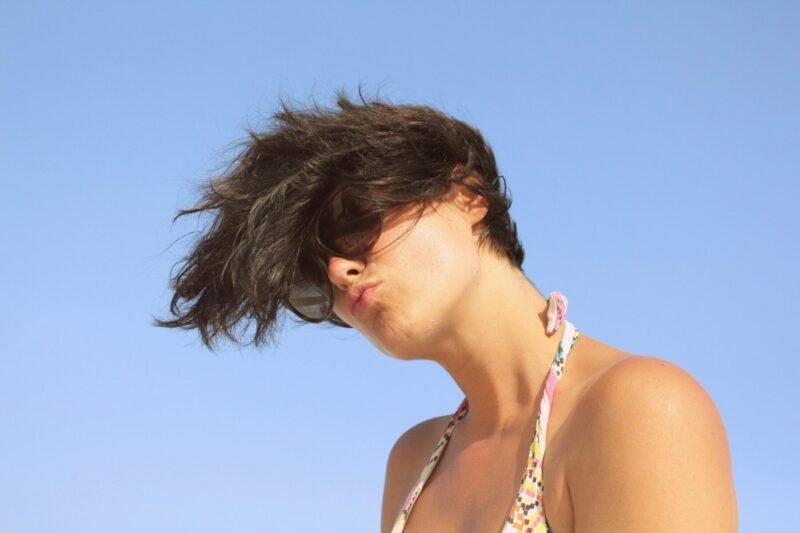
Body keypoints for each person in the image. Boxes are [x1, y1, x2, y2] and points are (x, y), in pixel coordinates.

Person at [155, 91, 738, 532]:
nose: (338, 273)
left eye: (353, 219)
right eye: (312, 282)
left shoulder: (635, 408)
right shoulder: (413, 463)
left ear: (468, 194)